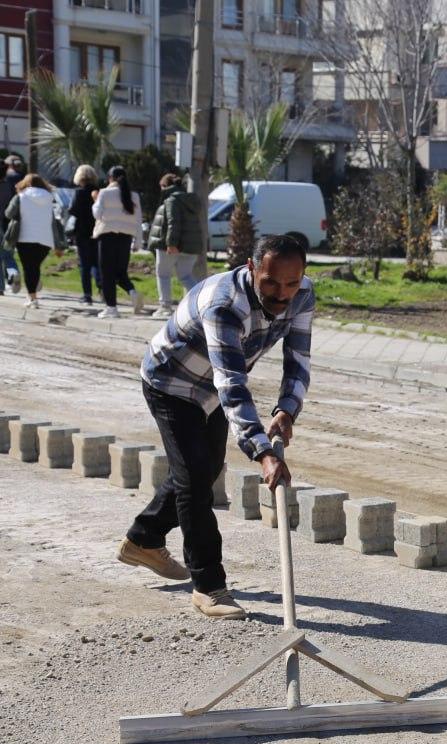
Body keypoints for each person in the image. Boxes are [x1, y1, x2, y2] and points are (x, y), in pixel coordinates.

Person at [115, 233, 315, 619]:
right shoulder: (225, 304)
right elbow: (232, 384)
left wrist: (287, 409)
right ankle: (208, 587)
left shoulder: (302, 294)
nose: (282, 292)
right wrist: (262, 454)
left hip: (212, 388)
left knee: (204, 470)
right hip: (172, 381)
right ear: (251, 268)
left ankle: (143, 539)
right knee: (193, 480)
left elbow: (299, 359)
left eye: (291, 282)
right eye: (271, 281)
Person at [3, 172, 66, 309]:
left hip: (25, 237)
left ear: (26, 183)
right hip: (45, 239)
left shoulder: (21, 196)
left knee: (28, 268)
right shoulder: (49, 197)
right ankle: (32, 294)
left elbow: (8, 213)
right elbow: (53, 220)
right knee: (35, 267)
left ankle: (32, 298)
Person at [147, 173, 203, 318]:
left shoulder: (171, 200)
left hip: (172, 245)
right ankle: (201, 303)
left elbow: (173, 222)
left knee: (163, 274)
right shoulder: (189, 200)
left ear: (165, 186)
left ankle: (165, 306)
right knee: (185, 276)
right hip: (191, 245)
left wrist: (171, 243)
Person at [92, 164, 144, 319]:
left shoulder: (104, 193)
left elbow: (97, 214)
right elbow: (138, 220)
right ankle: (132, 292)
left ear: (110, 178)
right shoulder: (133, 196)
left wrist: (95, 200)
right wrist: (138, 242)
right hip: (125, 237)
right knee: (120, 271)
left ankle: (111, 308)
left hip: (107, 236)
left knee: (106, 273)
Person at [69, 164, 101, 306]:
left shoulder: (79, 193)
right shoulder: (98, 192)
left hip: (81, 231)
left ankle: (87, 295)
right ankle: (101, 287)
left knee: (84, 264)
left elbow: (72, 210)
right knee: (96, 262)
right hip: (96, 230)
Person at [0, 154, 25, 293]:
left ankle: (1, 285)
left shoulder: (10, 180)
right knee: (8, 253)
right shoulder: (21, 179)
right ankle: (13, 272)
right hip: (9, 222)